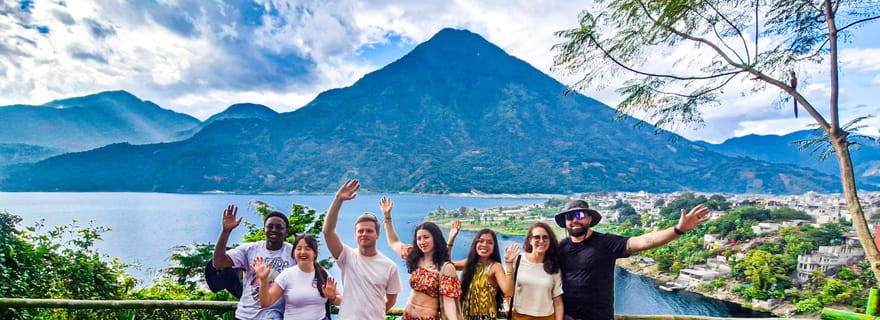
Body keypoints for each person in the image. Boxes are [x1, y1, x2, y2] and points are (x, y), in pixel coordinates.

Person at [555, 200, 710, 320]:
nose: (575, 220)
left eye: (580, 215)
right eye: (570, 216)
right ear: (565, 222)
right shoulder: (561, 247)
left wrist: (678, 229)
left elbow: (643, 241)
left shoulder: (605, 242)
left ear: (589, 219)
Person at [322, 179, 401, 320]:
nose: (364, 234)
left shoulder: (390, 266)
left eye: (369, 231)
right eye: (360, 231)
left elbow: (392, 300)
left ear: (377, 234)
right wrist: (338, 199)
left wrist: (375, 313)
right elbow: (328, 231)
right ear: (355, 234)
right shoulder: (346, 256)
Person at [380, 196, 462, 320]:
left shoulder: (446, 267)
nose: (422, 242)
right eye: (419, 238)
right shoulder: (414, 256)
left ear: (435, 238)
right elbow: (394, 242)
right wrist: (387, 217)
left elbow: (449, 302)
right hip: (407, 316)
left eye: (426, 237)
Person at [212, 205, 295, 320]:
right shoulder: (250, 249)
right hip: (244, 316)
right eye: (270, 226)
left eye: (279, 227)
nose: (274, 230)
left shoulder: (293, 253)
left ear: (286, 231)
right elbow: (218, 262)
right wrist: (226, 231)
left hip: (273, 316)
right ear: (263, 230)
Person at [252, 234, 342, 320]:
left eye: (308, 249)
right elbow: (265, 303)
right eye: (299, 249)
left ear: (315, 253)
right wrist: (263, 280)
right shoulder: (286, 275)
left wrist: (333, 297)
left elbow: (341, 301)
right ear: (294, 253)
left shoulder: (323, 274)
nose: (303, 252)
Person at [446, 220, 515, 320]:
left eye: (489, 242)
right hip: (464, 316)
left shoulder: (495, 267)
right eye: (481, 241)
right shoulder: (470, 263)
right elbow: (446, 266)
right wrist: (451, 240)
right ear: (475, 244)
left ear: (494, 247)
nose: (484, 245)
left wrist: (509, 264)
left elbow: (508, 291)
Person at [505, 222, 564, 320]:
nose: (541, 241)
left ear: (550, 241)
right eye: (537, 237)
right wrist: (508, 264)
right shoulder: (517, 260)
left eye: (545, 237)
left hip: (547, 317)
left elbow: (557, 301)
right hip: (519, 316)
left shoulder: (553, 266)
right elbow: (507, 290)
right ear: (529, 240)